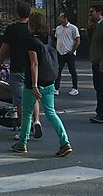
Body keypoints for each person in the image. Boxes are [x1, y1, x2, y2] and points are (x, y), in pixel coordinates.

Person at [11, 13, 72, 157]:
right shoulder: (49, 39)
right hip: (49, 82)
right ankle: (65, 142)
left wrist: (34, 85)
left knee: (26, 113)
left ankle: (22, 142)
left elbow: (34, 63)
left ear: (31, 25)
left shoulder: (30, 41)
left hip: (35, 83)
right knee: (51, 113)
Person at [0, 1, 42, 139]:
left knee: (20, 101)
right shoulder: (32, 29)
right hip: (32, 67)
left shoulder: (12, 29)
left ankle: (24, 128)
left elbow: (4, 48)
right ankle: (37, 120)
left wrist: (0, 61)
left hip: (17, 67)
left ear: (17, 13)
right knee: (34, 96)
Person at [54, 12, 80, 96]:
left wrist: (72, 51)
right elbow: (56, 39)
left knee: (72, 70)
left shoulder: (73, 28)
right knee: (58, 71)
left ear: (65, 18)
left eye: (61, 17)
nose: (59, 19)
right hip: (60, 52)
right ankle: (56, 88)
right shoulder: (58, 28)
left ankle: (75, 88)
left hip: (69, 53)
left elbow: (77, 40)